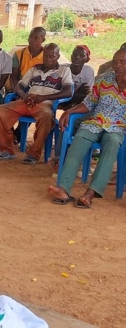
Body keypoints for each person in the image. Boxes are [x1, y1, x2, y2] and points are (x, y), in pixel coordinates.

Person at [48, 48, 126, 208]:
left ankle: (90, 194)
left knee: (112, 144)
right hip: (95, 123)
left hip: (118, 128)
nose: (118, 65)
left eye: (123, 62)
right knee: (79, 140)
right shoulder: (103, 79)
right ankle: (63, 188)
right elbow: (90, 103)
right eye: (115, 62)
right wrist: (69, 111)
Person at [0, 43, 73, 163]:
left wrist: (43, 97)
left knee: (46, 116)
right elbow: (19, 86)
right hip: (26, 102)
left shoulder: (64, 70)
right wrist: (24, 96)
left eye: (52, 56)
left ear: (58, 56)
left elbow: (68, 92)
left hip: (44, 104)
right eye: (46, 56)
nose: (48, 59)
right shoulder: (35, 69)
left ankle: (33, 154)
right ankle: (7, 150)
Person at [9, 26, 45, 92]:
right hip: (20, 87)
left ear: (43, 40)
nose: (32, 40)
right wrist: (17, 92)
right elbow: (13, 76)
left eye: (36, 37)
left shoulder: (46, 56)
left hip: (37, 89)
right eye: (30, 37)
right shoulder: (19, 54)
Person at [59, 45, 95, 110]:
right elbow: (57, 92)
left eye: (81, 55)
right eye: (75, 54)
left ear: (87, 59)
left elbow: (87, 95)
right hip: (62, 100)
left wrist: (68, 93)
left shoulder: (88, 71)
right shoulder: (62, 68)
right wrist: (77, 93)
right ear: (71, 57)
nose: (77, 57)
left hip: (75, 101)